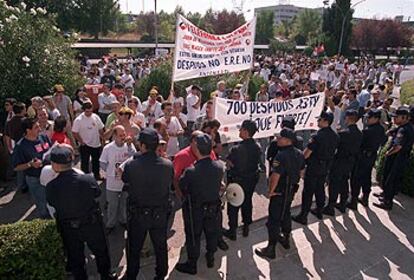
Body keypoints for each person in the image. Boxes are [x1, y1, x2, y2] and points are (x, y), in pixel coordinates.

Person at [45, 144, 116, 280]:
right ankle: (106, 275)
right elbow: (97, 193)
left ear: (55, 164)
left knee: (75, 257)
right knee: (101, 251)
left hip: (69, 228)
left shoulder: (51, 186)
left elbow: (52, 203)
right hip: (92, 224)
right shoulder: (87, 179)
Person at [122, 128, 174, 280]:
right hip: (159, 213)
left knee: (134, 248)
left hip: (138, 215)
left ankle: (132, 275)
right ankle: (161, 273)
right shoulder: (167, 164)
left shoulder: (132, 165)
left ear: (143, 145)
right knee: (160, 246)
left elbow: (126, 179)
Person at [175, 133, 224, 275]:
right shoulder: (219, 166)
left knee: (193, 236)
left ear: (197, 149)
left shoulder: (191, 171)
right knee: (211, 233)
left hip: (194, 209)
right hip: (213, 208)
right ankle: (210, 257)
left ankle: (192, 264)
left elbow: (182, 186)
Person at [255, 128, 305, 259]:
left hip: (280, 192)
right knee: (286, 213)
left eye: (280, 138)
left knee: (274, 219)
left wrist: (271, 191)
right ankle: (286, 238)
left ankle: (271, 249)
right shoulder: (299, 153)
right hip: (291, 190)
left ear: (288, 140)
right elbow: (302, 172)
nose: (277, 139)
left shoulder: (281, 155)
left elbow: (275, 176)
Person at [292, 112, 339, 225]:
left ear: (325, 121)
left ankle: (303, 216)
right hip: (325, 166)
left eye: (320, 120)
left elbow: (307, 153)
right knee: (320, 189)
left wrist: (300, 164)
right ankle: (319, 210)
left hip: (314, 166)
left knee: (308, 192)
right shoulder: (335, 136)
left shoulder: (317, 136)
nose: (318, 122)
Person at [223, 120, 261, 239]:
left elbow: (229, 163)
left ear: (245, 131)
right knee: (247, 202)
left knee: (233, 205)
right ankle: (246, 227)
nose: (239, 131)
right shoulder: (257, 147)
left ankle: (232, 231)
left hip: (237, 181)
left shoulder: (236, 149)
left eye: (241, 129)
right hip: (251, 180)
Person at [323, 109, 362, 215]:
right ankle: (343, 203)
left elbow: (335, 147)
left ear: (348, 118)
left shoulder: (344, 134)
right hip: (350, 162)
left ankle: (331, 205)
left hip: (340, 160)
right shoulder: (359, 133)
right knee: (344, 182)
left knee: (334, 183)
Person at [374, 106, 414, 210]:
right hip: (398, 158)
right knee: (388, 177)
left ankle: (387, 202)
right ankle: (385, 195)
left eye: (397, 117)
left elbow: (398, 146)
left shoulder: (404, 130)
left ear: (405, 118)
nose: (394, 119)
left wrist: (388, 153)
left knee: (391, 180)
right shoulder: (405, 126)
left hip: (398, 158)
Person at [12, 117, 52, 218]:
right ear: (28, 130)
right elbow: (16, 167)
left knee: (53, 201)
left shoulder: (43, 137)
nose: (39, 129)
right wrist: (30, 164)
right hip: (36, 179)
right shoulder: (21, 146)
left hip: (50, 175)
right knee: (42, 205)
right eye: (36, 127)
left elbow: (50, 149)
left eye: (39, 126)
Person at [100, 126, 136, 232]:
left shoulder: (129, 145)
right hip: (112, 183)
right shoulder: (108, 148)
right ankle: (110, 224)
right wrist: (110, 172)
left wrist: (129, 146)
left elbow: (134, 158)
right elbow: (102, 163)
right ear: (114, 136)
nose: (123, 137)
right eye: (120, 135)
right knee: (112, 204)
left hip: (125, 182)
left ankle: (123, 220)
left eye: (124, 134)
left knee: (124, 203)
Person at [350, 109, 386, 207]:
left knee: (356, 178)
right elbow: (384, 141)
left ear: (376, 118)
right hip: (372, 155)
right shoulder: (381, 129)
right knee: (366, 177)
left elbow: (359, 144)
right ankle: (365, 197)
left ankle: (353, 201)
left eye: (369, 118)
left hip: (363, 155)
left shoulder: (368, 131)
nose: (367, 119)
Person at [72, 101, 105, 180]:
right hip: (85, 144)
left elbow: (101, 129)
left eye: (90, 111)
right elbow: (74, 132)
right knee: (85, 162)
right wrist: (81, 141)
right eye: (87, 111)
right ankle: (84, 178)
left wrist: (102, 139)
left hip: (96, 143)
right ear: (84, 110)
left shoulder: (95, 117)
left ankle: (97, 175)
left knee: (96, 161)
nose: (89, 113)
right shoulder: (79, 120)